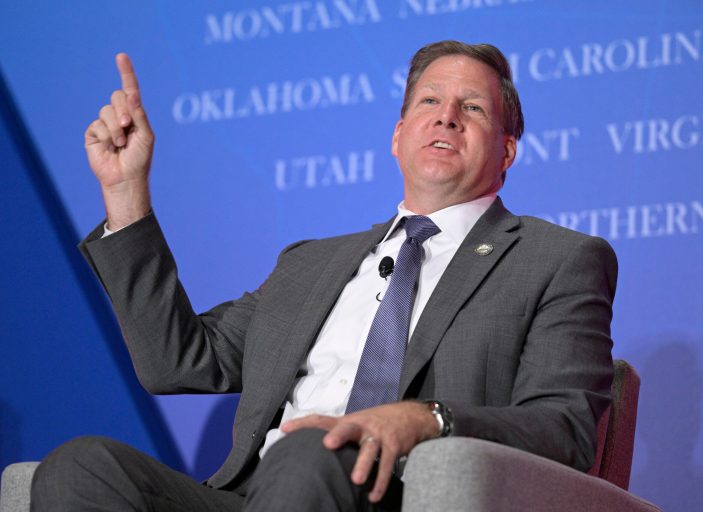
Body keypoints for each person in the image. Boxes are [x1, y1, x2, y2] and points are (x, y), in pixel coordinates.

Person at [31, 40, 617, 511]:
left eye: (473, 108)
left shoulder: (555, 259)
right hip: (252, 495)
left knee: (312, 448)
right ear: (397, 136)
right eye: (429, 102)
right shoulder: (310, 264)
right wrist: (125, 191)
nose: (446, 117)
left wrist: (426, 417)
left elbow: (563, 427)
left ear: (507, 150)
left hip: (396, 493)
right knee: (81, 467)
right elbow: (177, 362)